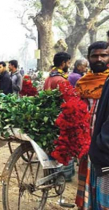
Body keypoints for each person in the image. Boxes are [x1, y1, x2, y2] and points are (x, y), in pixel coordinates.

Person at [75, 41, 109, 209]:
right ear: (88, 58)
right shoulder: (82, 82)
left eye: (103, 55)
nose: (99, 59)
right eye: (95, 56)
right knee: (87, 179)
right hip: (85, 140)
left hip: (103, 141)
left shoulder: (108, 82)